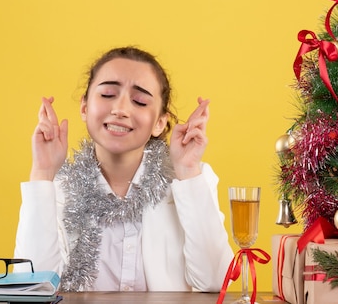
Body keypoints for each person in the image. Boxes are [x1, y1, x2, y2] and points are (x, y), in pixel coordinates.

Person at [14, 46, 234, 292]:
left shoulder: (190, 180)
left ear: (160, 122)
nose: (120, 109)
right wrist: (42, 174)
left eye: (139, 101)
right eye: (108, 94)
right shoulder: (57, 187)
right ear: (84, 108)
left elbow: (217, 282)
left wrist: (188, 170)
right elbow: (31, 286)